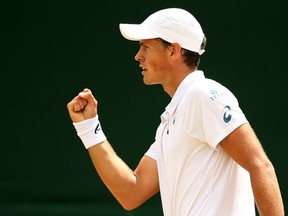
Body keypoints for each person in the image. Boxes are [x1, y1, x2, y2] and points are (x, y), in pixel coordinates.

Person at [67, 8, 284, 216]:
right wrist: (88, 128)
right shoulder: (172, 119)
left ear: (173, 51)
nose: (137, 56)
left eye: (145, 47)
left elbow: (260, 167)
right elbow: (131, 193)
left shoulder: (205, 94)